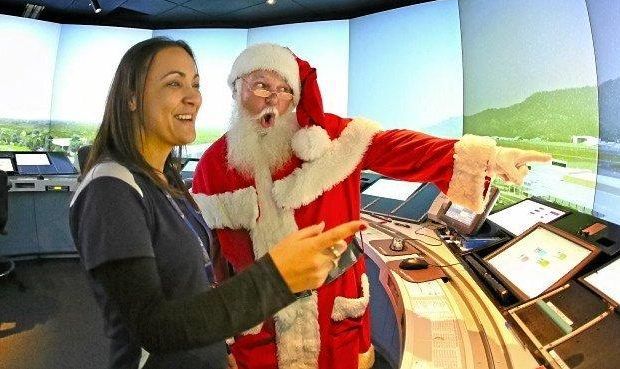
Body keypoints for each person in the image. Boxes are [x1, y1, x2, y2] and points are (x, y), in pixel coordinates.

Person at [191, 43, 552, 369]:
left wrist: (490, 157)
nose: (274, 99)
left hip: (334, 312)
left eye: (285, 89)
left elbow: (399, 148)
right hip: (259, 323)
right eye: (261, 86)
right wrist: (224, 332)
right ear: (235, 89)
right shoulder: (211, 166)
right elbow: (214, 258)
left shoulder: (333, 138)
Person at [69, 37, 366, 369]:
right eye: (173, 83)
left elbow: (196, 285)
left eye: (195, 84)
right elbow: (151, 327)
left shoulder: (167, 183)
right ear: (132, 98)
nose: (192, 97)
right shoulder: (109, 189)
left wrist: (224, 346)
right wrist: (277, 277)